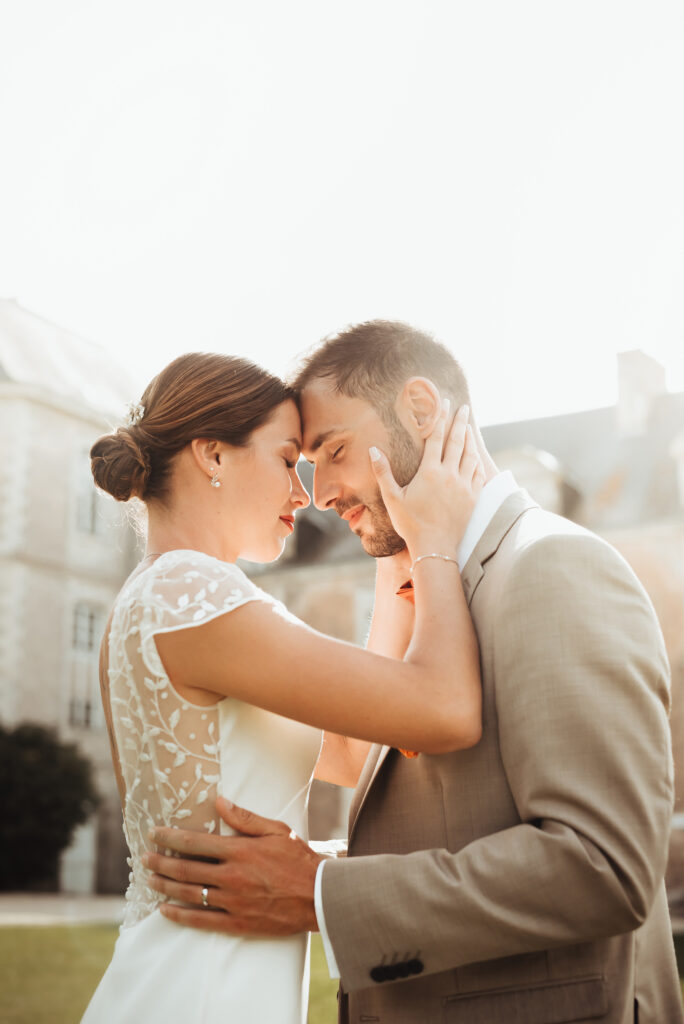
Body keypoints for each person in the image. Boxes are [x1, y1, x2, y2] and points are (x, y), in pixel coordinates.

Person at [147, 323, 683, 1024]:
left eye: (333, 451)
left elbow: (603, 866)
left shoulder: (550, 568)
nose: (323, 493)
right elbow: (447, 824)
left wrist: (320, 889)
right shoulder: (433, 593)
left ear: (421, 412)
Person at [81, 350, 485, 1024]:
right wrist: (436, 539)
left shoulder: (167, 596)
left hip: (203, 974)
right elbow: (444, 709)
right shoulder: (191, 595)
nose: (304, 495)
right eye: (286, 459)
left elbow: (356, 754)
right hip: (202, 991)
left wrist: (392, 545)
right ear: (213, 455)